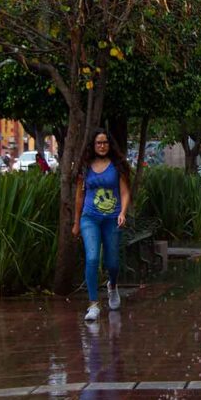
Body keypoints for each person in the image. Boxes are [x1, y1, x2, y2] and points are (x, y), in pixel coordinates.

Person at [72, 129, 131, 321]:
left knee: (112, 263)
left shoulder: (117, 166)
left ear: (109, 144)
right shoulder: (85, 167)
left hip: (112, 219)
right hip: (90, 218)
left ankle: (112, 285)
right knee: (91, 258)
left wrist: (122, 213)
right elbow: (79, 196)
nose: (102, 146)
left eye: (105, 142)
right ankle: (93, 305)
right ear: (93, 145)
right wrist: (76, 222)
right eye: (99, 143)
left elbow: (124, 192)